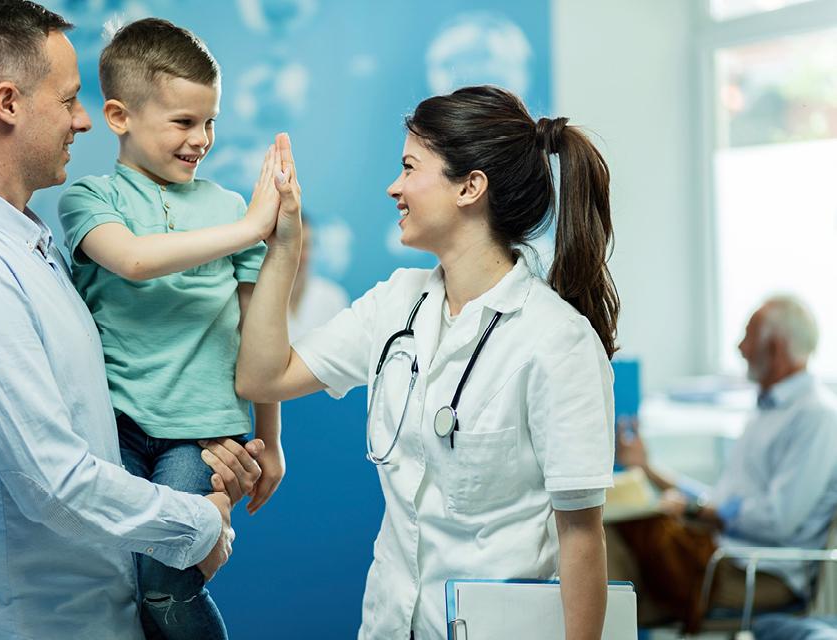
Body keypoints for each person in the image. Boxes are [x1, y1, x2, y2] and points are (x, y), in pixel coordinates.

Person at [0, 2, 262, 638]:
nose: (85, 120)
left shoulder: (29, 244)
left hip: (103, 610)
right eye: (69, 100)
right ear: (8, 103)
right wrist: (201, 523)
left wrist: (213, 477)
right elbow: (55, 481)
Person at [236, 85, 620, 639]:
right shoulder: (396, 303)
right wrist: (286, 248)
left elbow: (582, 538)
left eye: (410, 167)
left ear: (470, 187)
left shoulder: (557, 341)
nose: (394, 187)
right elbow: (261, 377)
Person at [57, 18, 286, 639]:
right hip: (118, 432)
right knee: (121, 581)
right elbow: (132, 259)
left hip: (203, 438)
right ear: (118, 116)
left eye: (210, 122)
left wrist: (271, 439)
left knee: (165, 580)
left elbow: (256, 332)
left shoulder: (228, 206)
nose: (201, 139)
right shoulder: (88, 199)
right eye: (184, 123)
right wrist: (251, 229)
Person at [610, 295, 837, 631]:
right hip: (723, 558)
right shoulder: (768, 409)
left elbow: (779, 520)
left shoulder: (816, 416)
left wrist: (698, 511)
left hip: (755, 574)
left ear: (773, 348)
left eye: (747, 335)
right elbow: (720, 501)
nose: (740, 347)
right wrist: (648, 469)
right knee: (613, 540)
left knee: (613, 544)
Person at [287, 215, 350, 341]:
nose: (302, 256)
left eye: (306, 245)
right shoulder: (257, 298)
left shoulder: (332, 297)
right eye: (294, 246)